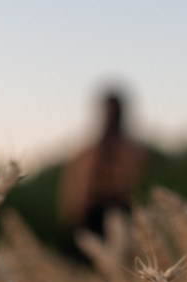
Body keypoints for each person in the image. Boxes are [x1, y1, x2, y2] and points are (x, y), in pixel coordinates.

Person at [57, 88, 148, 263]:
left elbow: (129, 183)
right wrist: (71, 212)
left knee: (121, 265)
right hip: (89, 214)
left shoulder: (131, 149)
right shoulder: (87, 150)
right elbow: (74, 186)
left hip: (118, 211)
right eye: (107, 110)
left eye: (113, 110)